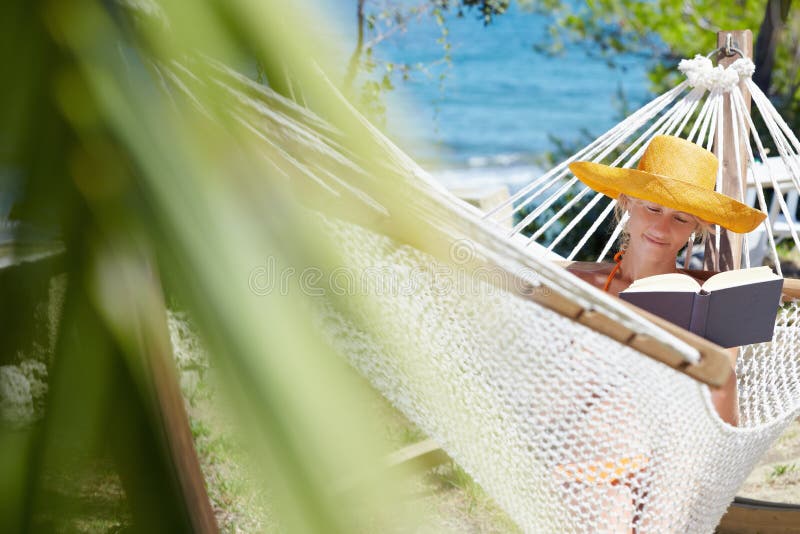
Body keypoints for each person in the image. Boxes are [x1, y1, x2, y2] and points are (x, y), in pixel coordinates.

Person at [566, 134, 767, 427]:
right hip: (570, 439)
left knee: (723, 374)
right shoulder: (579, 285)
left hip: (667, 451)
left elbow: (720, 423)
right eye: (653, 209)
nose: (662, 228)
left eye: (681, 219)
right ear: (627, 203)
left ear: (695, 231)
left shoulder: (708, 309)